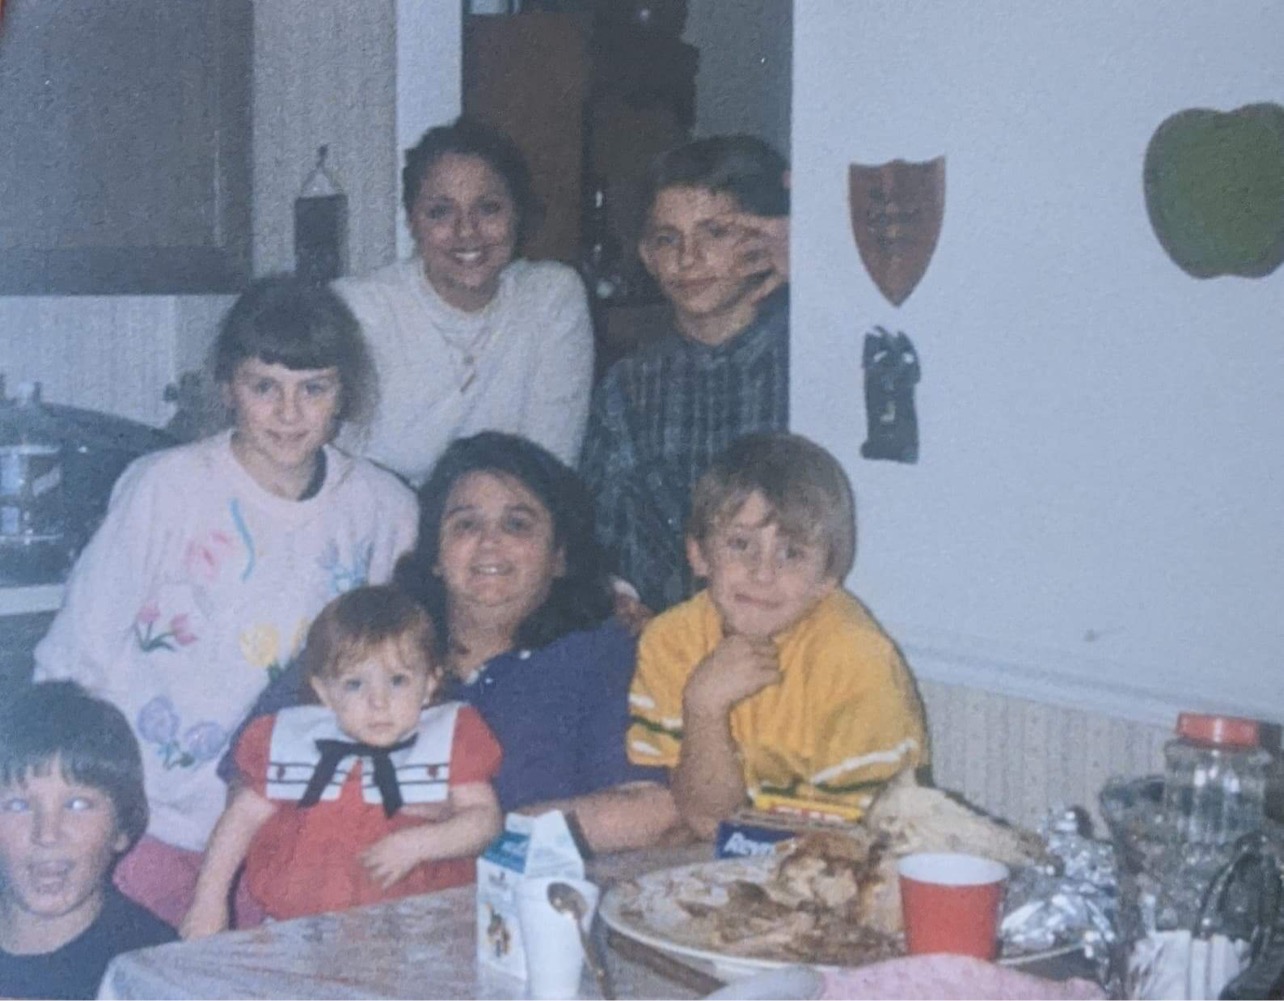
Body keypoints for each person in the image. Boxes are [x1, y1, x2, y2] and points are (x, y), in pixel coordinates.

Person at [33, 276, 419, 926]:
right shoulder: (166, 488)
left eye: (313, 388)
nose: (289, 413)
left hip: (289, 834)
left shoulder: (385, 510)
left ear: (343, 393)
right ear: (227, 387)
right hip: (149, 822)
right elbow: (75, 657)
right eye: (264, 386)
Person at [245, 432, 679, 853]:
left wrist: (477, 832)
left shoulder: (602, 653)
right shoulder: (373, 636)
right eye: (466, 524)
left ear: (559, 556)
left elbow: (652, 809)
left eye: (517, 524)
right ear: (435, 554)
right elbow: (248, 767)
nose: (490, 543)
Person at [626, 433, 928, 839]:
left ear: (827, 577)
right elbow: (704, 820)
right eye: (740, 544)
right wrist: (703, 708)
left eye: (791, 553)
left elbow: (866, 841)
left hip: (855, 856)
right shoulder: (669, 641)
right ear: (698, 554)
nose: (762, 573)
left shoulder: (857, 659)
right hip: (728, 853)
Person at [181, 586, 501, 936]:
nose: (378, 701)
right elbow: (240, 819)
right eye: (354, 684)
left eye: (398, 681)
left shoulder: (448, 737)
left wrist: (418, 844)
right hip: (299, 926)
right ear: (324, 693)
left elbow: (485, 819)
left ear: (429, 684)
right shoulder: (291, 738)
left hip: (413, 929)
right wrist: (208, 901)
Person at [580, 134, 792, 617]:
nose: (687, 258)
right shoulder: (629, 388)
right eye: (667, 239)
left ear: (766, 243)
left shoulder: (810, 363)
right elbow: (600, 531)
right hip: (667, 642)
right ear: (646, 255)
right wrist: (618, 597)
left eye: (715, 233)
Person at [335, 116, 594, 485]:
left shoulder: (551, 300)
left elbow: (547, 475)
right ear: (412, 221)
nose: (466, 231)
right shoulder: (359, 309)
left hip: (507, 529)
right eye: (440, 212)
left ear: (516, 214)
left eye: (488, 208)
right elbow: (336, 478)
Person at [0, 682, 176, 1000]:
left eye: (78, 805)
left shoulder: (153, 968)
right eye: (19, 805)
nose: (47, 834)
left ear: (121, 828)